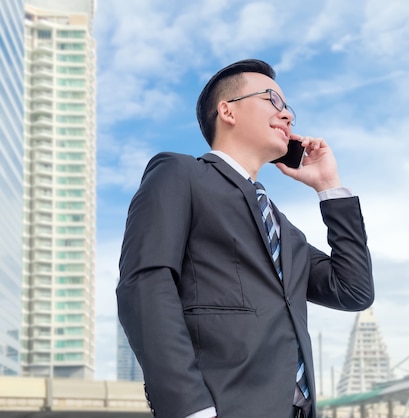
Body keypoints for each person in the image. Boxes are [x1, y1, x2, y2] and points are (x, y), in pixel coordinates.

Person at [117, 58, 374, 418]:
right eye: (273, 100)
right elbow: (144, 284)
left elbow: (354, 291)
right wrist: (190, 408)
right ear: (227, 111)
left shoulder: (284, 231)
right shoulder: (180, 173)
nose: (288, 116)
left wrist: (328, 186)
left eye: (289, 109)